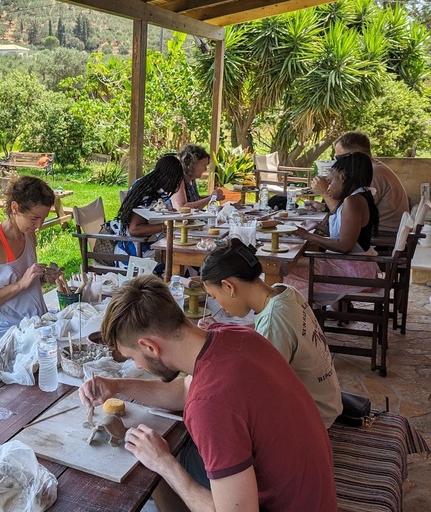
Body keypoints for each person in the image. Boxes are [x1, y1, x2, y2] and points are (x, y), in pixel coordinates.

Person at [79, 275, 337, 511]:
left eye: (133, 357)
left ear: (149, 346)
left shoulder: (210, 405)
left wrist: (164, 463)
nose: (136, 365)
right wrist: (118, 386)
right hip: (312, 496)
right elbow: (183, 389)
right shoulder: (232, 335)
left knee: (161, 476)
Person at [200, 238, 342, 428]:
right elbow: (263, 331)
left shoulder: (273, 320)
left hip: (312, 417)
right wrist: (224, 330)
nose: (219, 305)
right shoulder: (283, 292)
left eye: (215, 297)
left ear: (229, 286)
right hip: (328, 402)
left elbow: (260, 390)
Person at [0, 176, 61, 342]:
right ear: (15, 207)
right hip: (4, 331)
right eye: (34, 218)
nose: (39, 226)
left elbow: (23, 282)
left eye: (43, 218)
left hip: (35, 324)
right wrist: (20, 285)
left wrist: (42, 278)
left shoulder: (28, 235)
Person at [286, 152, 380, 303]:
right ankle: (309, 315)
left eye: (330, 181)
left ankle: (301, 319)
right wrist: (318, 226)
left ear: (342, 177)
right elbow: (347, 234)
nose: (328, 187)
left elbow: (345, 245)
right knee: (296, 269)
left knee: (287, 273)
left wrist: (307, 236)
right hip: (357, 267)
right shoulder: (359, 196)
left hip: (353, 274)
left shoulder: (353, 201)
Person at [312, 131, 408, 232]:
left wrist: (324, 193)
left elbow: (349, 216)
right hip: (370, 233)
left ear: (355, 156)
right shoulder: (369, 169)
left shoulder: (372, 174)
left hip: (381, 238)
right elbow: (347, 208)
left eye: (340, 158)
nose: (338, 163)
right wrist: (323, 207)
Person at [109, 153, 185, 258]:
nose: (176, 185)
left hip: (145, 244)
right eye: (176, 181)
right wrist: (168, 226)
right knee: (180, 259)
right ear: (167, 177)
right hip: (134, 251)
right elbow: (134, 229)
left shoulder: (150, 186)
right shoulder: (147, 193)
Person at [170, 144, 224, 209]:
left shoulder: (191, 179)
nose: (205, 169)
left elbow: (194, 199)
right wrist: (211, 198)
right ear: (192, 163)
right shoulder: (178, 178)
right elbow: (182, 207)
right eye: (204, 165)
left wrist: (214, 197)